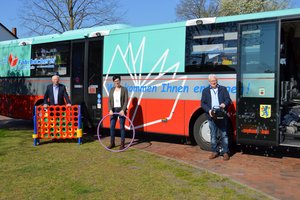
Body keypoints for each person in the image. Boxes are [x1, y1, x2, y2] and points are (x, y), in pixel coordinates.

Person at [201, 74, 232, 161]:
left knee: (224, 134)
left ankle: (225, 152)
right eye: (211, 81)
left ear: (217, 80)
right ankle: (214, 151)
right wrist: (209, 111)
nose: (213, 82)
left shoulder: (223, 89)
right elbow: (203, 103)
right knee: (213, 135)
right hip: (211, 115)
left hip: (222, 114)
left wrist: (224, 104)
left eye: (214, 81)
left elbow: (228, 100)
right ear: (209, 82)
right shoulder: (205, 91)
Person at [108, 75, 129, 150]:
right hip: (113, 110)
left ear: (120, 81)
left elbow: (126, 100)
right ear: (113, 82)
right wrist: (110, 109)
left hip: (121, 110)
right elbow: (109, 101)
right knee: (112, 127)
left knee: (121, 127)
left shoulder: (124, 89)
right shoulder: (111, 89)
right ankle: (112, 143)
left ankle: (122, 144)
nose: (117, 82)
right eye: (115, 81)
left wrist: (123, 110)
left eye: (118, 81)